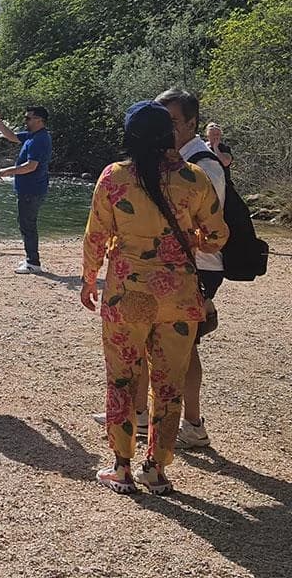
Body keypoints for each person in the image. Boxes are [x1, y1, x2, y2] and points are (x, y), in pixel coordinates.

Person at [81, 101, 228, 495]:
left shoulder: (113, 178)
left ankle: (122, 466)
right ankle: (156, 470)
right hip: (178, 295)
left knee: (122, 378)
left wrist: (88, 279)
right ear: (168, 134)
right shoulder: (194, 178)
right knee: (168, 384)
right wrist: (187, 242)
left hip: (125, 294)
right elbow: (218, 236)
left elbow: (96, 236)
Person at [0, 105, 52, 274]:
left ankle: (33, 262)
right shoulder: (34, 136)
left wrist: (7, 171)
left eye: (28, 118)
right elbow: (12, 137)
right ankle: (31, 258)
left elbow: (31, 166)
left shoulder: (40, 139)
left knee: (28, 225)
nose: (25, 121)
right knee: (27, 224)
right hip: (31, 188)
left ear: (39, 120)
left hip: (32, 189)